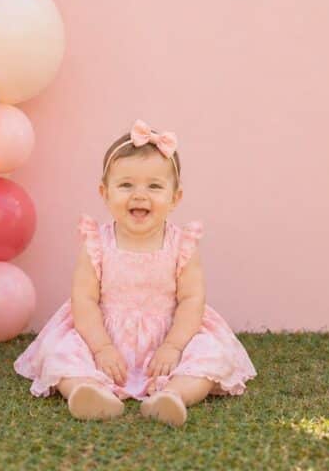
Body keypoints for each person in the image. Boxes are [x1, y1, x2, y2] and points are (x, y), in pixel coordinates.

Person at [14, 119, 257, 427]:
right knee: (61, 352)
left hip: (170, 336)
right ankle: (86, 390)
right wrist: (101, 348)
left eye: (154, 186)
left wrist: (173, 346)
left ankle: (174, 395)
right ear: (105, 193)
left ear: (175, 198)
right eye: (126, 185)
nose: (139, 195)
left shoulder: (182, 244)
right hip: (104, 335)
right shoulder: (96, 242)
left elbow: (191, 299)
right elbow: (84, 299)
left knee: (210, 353)